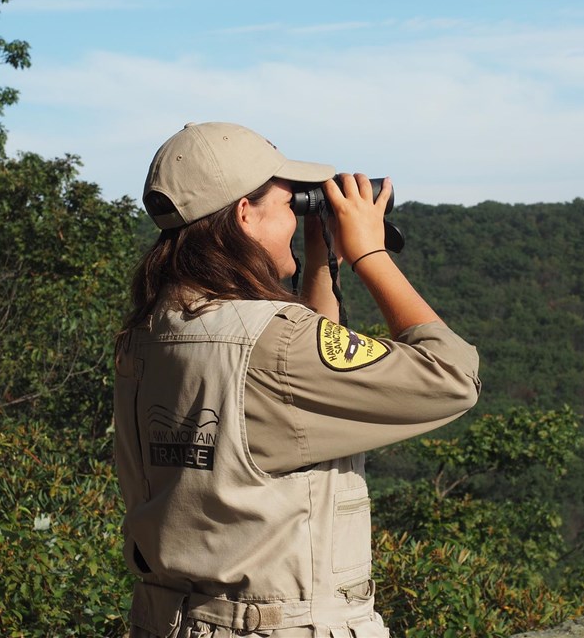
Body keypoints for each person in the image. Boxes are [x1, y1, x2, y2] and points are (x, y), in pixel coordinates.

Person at [114, 121, 481, 638]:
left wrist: (320, 253)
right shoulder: (272, 344)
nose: (298, 215)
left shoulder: (147, 332)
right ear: (245, 213)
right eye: (291, 206)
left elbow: (298, 382)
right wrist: (368, 255)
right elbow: (452, 376)